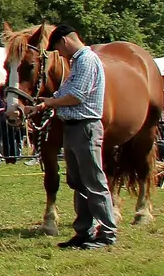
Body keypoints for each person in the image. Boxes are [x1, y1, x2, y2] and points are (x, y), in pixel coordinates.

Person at [29, 24, 116, 249]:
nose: (60, 54)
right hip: (74, 128)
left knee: (94, 182)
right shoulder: (77, 63)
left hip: (85, 127)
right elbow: (64, 93)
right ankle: (84, 231)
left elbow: (77, 96)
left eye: (58, 49)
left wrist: (50, 102)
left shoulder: (87, 60)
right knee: (78, 183)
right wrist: (42, 105)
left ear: (64, 41)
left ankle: (107, 234)